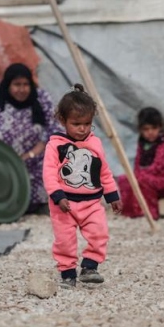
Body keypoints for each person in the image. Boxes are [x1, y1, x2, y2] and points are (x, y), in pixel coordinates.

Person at [43, 84, 122, 287]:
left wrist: (112, 196)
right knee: (65, 241)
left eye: (87, 123)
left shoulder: (95, 144)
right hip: (64, 204)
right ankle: (67, 273)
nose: (82, 129)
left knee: (99, 232)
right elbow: (49, 173)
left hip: (91, 202)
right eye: (76, 123)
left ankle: (90, 267)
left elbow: (104, 171)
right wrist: (58, 196)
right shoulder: (56, 145)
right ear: (63, 120)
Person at [0, 63, 59, 212]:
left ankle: (40, 203)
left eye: (25, 84)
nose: (21, 90)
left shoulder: (41, 98)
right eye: (16, 84)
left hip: (33, 161)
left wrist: (30, 154)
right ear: (8, 84)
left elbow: (55, 129)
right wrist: (4, 158)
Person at [115, 107, 164, 219]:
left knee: (141, 179)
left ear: (160, 127)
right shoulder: (142, 143)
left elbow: (158, 167)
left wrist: (139, 175)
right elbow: (137, 163)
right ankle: (129, 212)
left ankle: (148, 213)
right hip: (145, 176)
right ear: (140, 130)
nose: (150, 132)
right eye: (146, 129)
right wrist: (134, 175)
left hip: (163, 180)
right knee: (124, 179)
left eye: (154, 128)